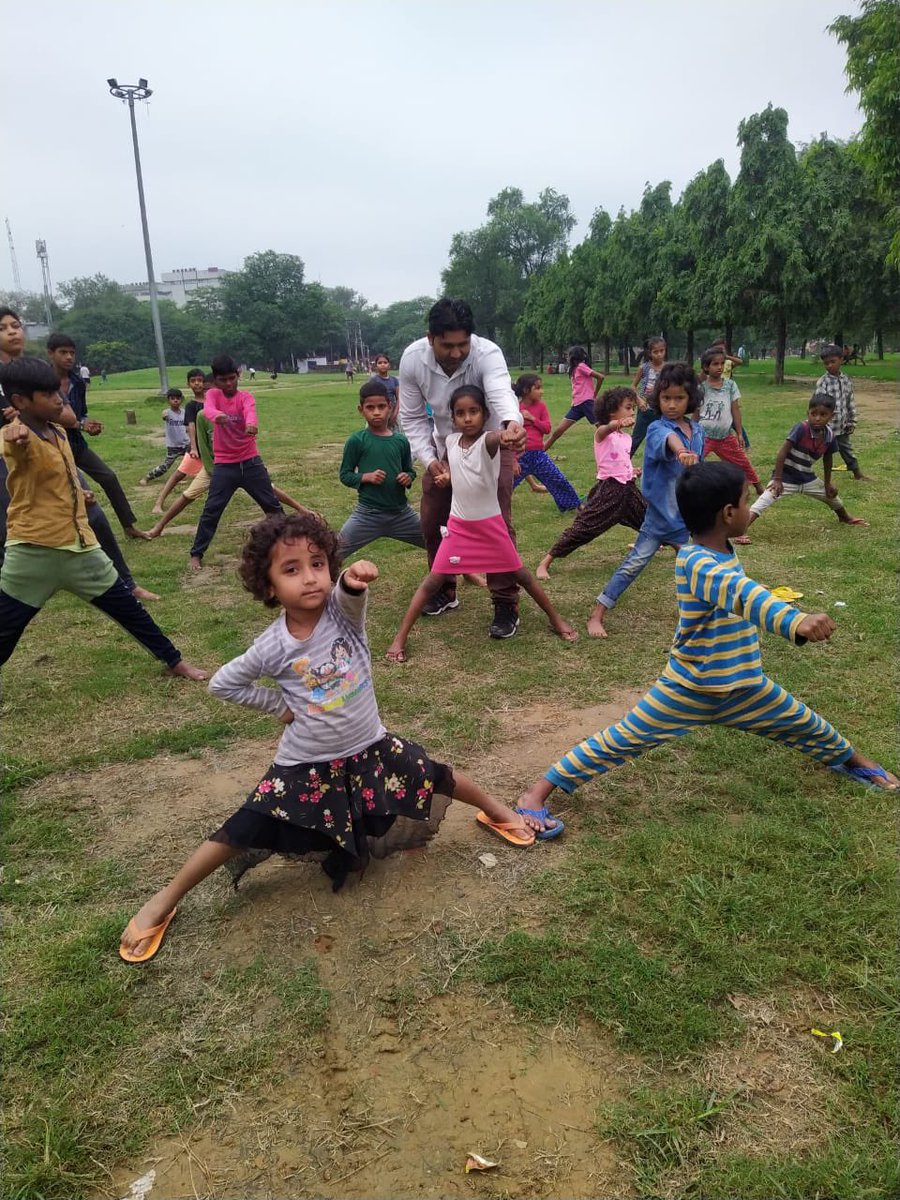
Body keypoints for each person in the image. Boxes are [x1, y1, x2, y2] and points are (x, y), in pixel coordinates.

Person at [119, 511, 538, 963]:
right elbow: (224, 683)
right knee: (245, 827)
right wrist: (278, 707)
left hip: (371, 745)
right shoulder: (272, 645)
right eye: (291, 569)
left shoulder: (342, 615)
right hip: (305, 763)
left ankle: (496, 811)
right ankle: (165, 899)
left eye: (318, 563)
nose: (310, 578)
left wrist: (355, 579)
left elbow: (350, 595)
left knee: (433, 775)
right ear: (268, 586)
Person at [516, 461, 897, 837]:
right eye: (747, 502)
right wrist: (792, 619)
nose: (751, 509)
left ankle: (854, 761)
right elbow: (742, 593)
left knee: (805, 723)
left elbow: (739, 593)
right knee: (620, 740)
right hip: (689, 688)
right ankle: (536, 793)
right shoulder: (695, 561)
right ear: (729, 513)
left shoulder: (723, 550)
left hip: (746, 686)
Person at [0, 358, 206, 680]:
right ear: (20, 402)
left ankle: (175, 662)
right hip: (32, 553)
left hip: (81, 549)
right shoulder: (17, 438)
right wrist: (14, 435)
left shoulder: (58, 432)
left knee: (129, 609)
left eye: (58, 391)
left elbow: (56, 480)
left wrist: (79, 496)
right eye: (48, 395)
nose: (59, 399)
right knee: (5, 630)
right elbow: (14, 449)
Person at [385, 384, 577, 663]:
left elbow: (498, 439)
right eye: (460, 413)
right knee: (432, 582)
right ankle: (400, 637)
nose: (467, 418)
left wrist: (510, 432)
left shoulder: (488, 441)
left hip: (491, 528)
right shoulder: (451, 442)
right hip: (459, 528)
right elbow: (458, 469)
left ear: (484, 414)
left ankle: (556, 620)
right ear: (452, 418)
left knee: (522, 575)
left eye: (473, 412)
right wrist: (447, 477)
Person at [399, 298, 527, 639]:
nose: (457, 353)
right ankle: (444, 589)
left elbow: (501, 392)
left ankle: (505, 602)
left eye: (462, 344)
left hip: (493, 446)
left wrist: (512, 423)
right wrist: (430, 460)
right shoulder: (413, 360)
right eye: (448, 345)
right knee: (433, 522)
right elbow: (411, 418)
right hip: (444, 448)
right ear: (431, 338)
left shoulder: (486, 354)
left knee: (496, 522)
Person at [586, 362, 704, 639]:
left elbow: (699, 467)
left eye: (679, 398)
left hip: (685, 519)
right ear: (657, 399)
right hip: (659, 519)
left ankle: (706, 612)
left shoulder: (697, 431)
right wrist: (681, 452)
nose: (672, 405)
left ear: (690, 400)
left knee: (699, 566)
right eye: (666, 398)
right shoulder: (656, 429)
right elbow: (669, 440)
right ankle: (597, 614)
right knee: (633, 565)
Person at [149, 375, 307, 539]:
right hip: (213, 466)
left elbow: (246, 432)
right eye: (208, 391)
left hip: (238, 463)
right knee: (188, 495)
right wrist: (213, 471)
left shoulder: (232, 410)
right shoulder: (201, 414)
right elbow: (200, 440)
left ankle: (301, 510)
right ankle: (159, 525)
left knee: (269, 488)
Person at [45, 333, 149, 539]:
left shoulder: (78, 382)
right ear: (50, 354)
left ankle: (129, 527)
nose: (68, 357)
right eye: (63, 352)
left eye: (72, 353)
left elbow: (80, 412)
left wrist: (88, 424)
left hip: (76, 443)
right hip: (51, 446)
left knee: (108, 477)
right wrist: (79, 424)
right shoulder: (42, 382)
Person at [536, 387, 647, 579]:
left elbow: (620, 461)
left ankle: (675, 546)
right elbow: (605, 428)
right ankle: (545, 562)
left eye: (633, 409)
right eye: (628, 408)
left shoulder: (625, 438)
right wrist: (616, 424)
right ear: (613, 412)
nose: (632, 413)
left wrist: (632, 470)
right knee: (584, 528)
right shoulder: (603, 434)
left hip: (628, 488)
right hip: (610, 491)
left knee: (651, 519)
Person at [189, 354, 283, 571]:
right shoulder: (212, 394)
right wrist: (217, 416)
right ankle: (196, 554)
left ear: (238, 375)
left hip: (250, 462)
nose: (229, 383)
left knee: (273, 507)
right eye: (224, 380)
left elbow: (250, 412)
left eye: (232, 378)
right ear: (215, 381)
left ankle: (287, 544)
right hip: (225, 466)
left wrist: (251, 424)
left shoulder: (246, 397)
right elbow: (208, 410)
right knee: (212, 510)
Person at [745, 393, 867, 534]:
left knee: (833, 498)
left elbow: (828, 460)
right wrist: (777, 479)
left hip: (807, 478)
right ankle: (741, 530)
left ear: (831, 416)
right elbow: (782, 452)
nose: (817, 418)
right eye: (813, 413)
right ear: (807, 413)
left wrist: (828, 483)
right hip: (786, 478)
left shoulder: (829, 436)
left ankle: (845, 518)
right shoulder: (801, 428)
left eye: (823, 414)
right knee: (764, 500)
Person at [338, 379, 425, 560]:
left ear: (391, 408)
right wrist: (365, 477)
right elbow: (345, 475)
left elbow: (410, 470)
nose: (376, 412)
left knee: (436, 542)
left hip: (402, 514)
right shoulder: (357, 441)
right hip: (367, 515)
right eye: (370, 408)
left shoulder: (401, 441)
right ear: (361, 410)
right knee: (335, 552)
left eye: (381, 407)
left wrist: (407, 477)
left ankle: (466, 573)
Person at [697, 347, 762, 505]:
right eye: (714, 364)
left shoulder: (730, 385)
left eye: (721, 363)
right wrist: (692, 430)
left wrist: (739, 432)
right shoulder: (702, 387)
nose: (719, 367)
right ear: (706, 367)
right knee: (693, 462)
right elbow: (696, 411)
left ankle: (759, 487)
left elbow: (735, 409)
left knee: (742, 461)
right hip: (704, 435)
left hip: (725, 436)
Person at [511, 374, 581, 511]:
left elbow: (547, 428)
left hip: (538, 455)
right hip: (520, 456)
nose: (541, 391)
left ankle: (573, 505)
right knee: (506, 485)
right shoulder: (515, 409)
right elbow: (511, 436)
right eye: (537, 388)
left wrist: (532, 419)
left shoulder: (541, 407)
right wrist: (513, 460)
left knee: (557, 480)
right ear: (526, 390)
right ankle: (492, 511)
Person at [151, 369, 207, 514]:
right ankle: (159, 503)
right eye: (193, 381)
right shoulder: (191, 406)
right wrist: (193, 447)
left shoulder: (212, 401)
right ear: (188, 384)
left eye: (200, 380)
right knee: (178, 475)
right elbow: (191, 427)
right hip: (198, 449)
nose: (197, 383)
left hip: (214, 449)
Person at [815, 344, 870, 480]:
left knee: (847, 450)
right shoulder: (823, 382)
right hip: (826, 427)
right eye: (826, 363)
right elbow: (818, 405)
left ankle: (857, 473)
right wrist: (820, 423)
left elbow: (849, 402)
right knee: (822, 452)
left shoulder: (846, 381)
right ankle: (800, 472)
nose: (829, 365)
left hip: (842, 426)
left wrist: (852, 421)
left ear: (841, 359)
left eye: (832, 362)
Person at [542, 347, 605, 454]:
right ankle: (541, 452)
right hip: (577, 405)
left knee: (603, 429)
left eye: (569, 355)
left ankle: (615, 449)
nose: (567, 357)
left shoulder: (581, 367)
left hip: (587, 403)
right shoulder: (574, 369)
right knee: (559, 431)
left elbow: (600, 377)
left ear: (574, 357)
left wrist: (594, 394)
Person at [141, 389, 190, 483]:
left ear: (182, 400)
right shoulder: (167, 412)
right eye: (172, 398)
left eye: (178, 398)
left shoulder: (184, 413)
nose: (175, 400)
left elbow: (188, 426)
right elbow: (164, 416)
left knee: (195, 460)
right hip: (173, 446)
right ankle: (148, 477)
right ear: (168, 400)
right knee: (165, 466)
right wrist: (164, 416)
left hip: (186, 444)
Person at [630, 336, 666, 456]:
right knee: (635, 440)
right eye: (655, 352)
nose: (659, 354)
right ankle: (621, 466)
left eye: (662, 351)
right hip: (645, 410)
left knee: (662, 440)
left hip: (661, 411)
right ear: (650, 353)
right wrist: (638, 400)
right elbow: (633, 387)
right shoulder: (644, 368)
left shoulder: (668, 369)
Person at [370, 353, 399, 427]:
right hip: (378, 412)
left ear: (389, 365)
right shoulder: (373, 380)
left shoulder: (394, 380)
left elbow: (399, 399)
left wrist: (394, 414)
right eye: (380, 363)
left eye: (385, 362)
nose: (382, 364)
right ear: (376, 366)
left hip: (392, 412)